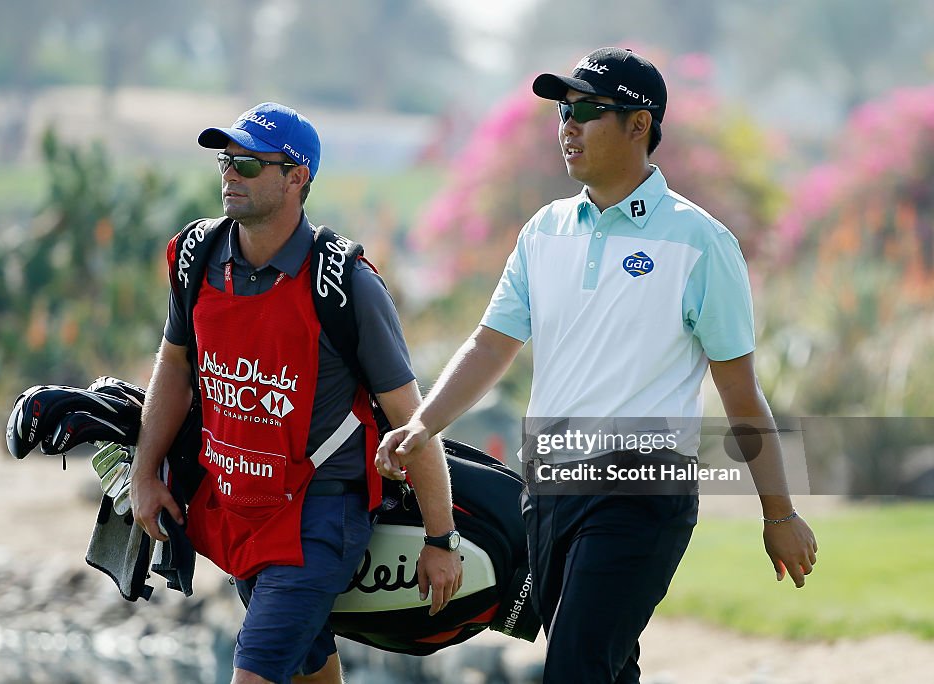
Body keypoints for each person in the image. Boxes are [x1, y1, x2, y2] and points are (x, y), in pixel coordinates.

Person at [376, 48, 819, 683]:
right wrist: (423, 426)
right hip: (551, 488)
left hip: (642, 490)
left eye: (587, 109)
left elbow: (741, 393)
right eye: (563, 111)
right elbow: (490, 345)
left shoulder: (700, 242)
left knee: (577, 669)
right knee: (606, 669)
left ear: (639, 125)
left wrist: (778, 512)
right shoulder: (544, 230)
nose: (567, 126)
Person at [130, 102, 463, 684]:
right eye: (225, 161)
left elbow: (413, 420)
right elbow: (175, 367)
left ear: (296, 177)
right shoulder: (196, 258)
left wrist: (441, 537)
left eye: (249, 165)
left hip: (318, 517)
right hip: (238, 509)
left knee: (254, 673)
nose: (231, 174)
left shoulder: (347, 283)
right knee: (313, 675)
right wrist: (144, 473)